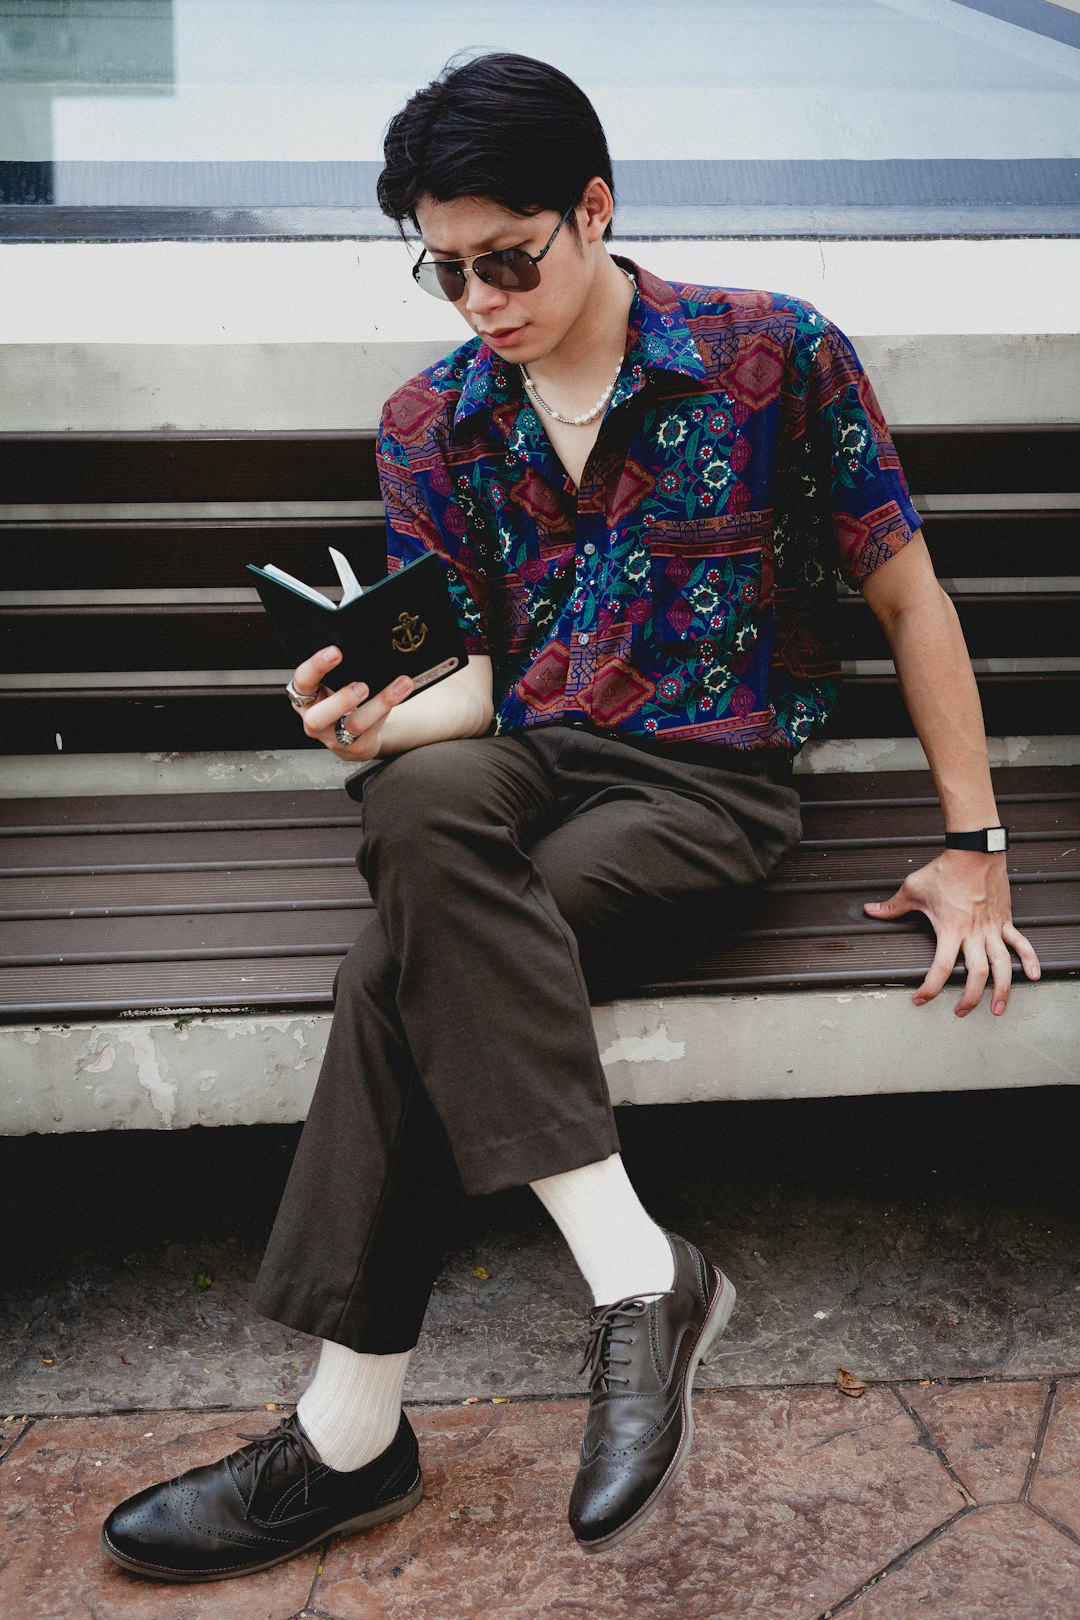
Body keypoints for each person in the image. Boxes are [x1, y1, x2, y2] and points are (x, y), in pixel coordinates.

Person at [100, 51, 1040, 1582]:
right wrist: (372, 712)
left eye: (509, 259)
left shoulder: (771, 355)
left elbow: (906, 593)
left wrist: (973, 850)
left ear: (593, 211)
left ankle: (346, 1441)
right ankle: (635, 1268)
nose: (481, 300)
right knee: (409, 785)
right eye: (445, 270)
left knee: (389, 974)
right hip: (525, 762)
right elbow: (466, 683)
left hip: (705, 783)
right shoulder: (434, 418)